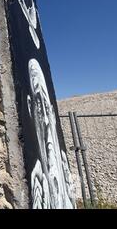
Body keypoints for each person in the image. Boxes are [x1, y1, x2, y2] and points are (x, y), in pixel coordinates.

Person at [27, 58, 75, 209]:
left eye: (46, 108)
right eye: (39, 107)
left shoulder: (64, 171)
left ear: (53, 115)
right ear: (30, 108)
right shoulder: (37, 184)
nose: (46, 121)